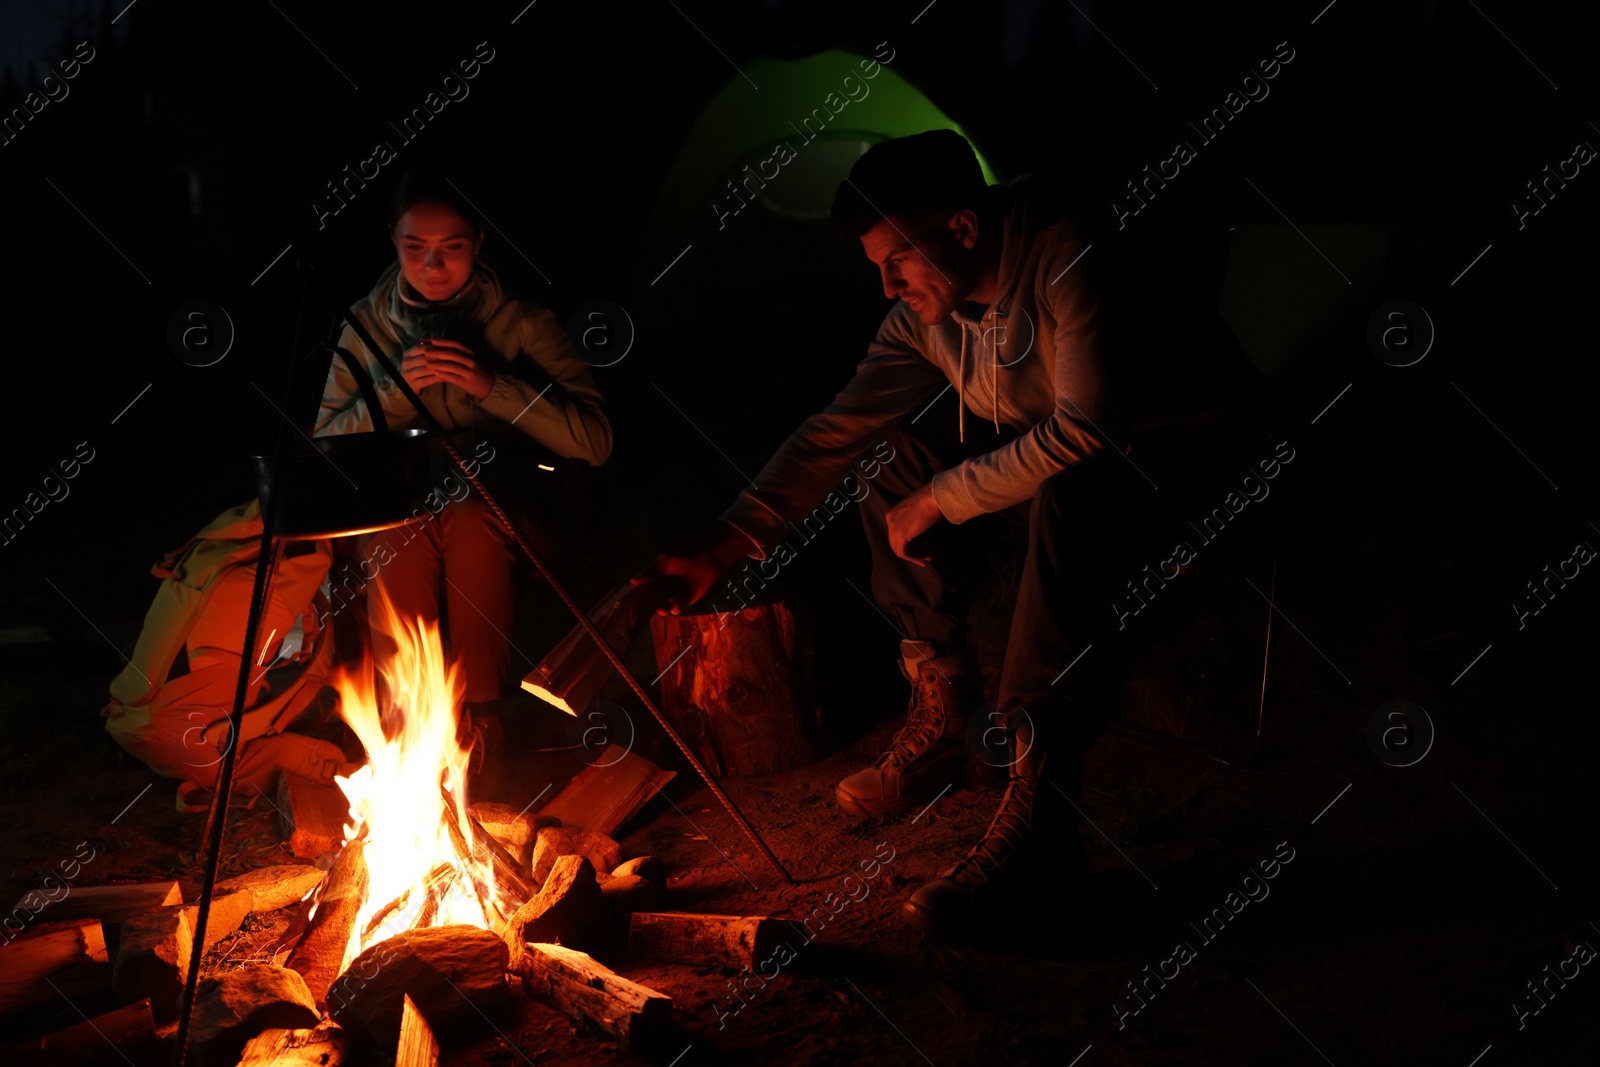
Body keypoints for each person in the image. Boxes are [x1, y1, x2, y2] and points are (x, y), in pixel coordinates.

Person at [635, 130, 1264, 937]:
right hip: (1078, 468)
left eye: (897, 259)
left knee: (1067, 485)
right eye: (875, 267)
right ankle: (945, 708)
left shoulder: (1068, 248)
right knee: (885, 457)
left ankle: (1043, 813)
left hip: (1198, 465)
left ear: (964, 229)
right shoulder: (924, 317)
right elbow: (834, 432)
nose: (887, 283)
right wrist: (722, 546)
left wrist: (944, 496)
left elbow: (1092, 432)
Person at [315, 170, 613, 783]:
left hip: (507, 498)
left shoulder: (522, 322)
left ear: (478, 241)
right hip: (402, 500)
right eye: (413, 247)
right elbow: (323, 449)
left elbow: (595, 441)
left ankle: (481, 723)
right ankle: (408, 726)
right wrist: (395, 394)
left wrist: (492, 386)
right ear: (393, 243)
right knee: (399, 533)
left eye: (450, 246)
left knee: (473, 520)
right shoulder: (365, 328)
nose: (432, 264)